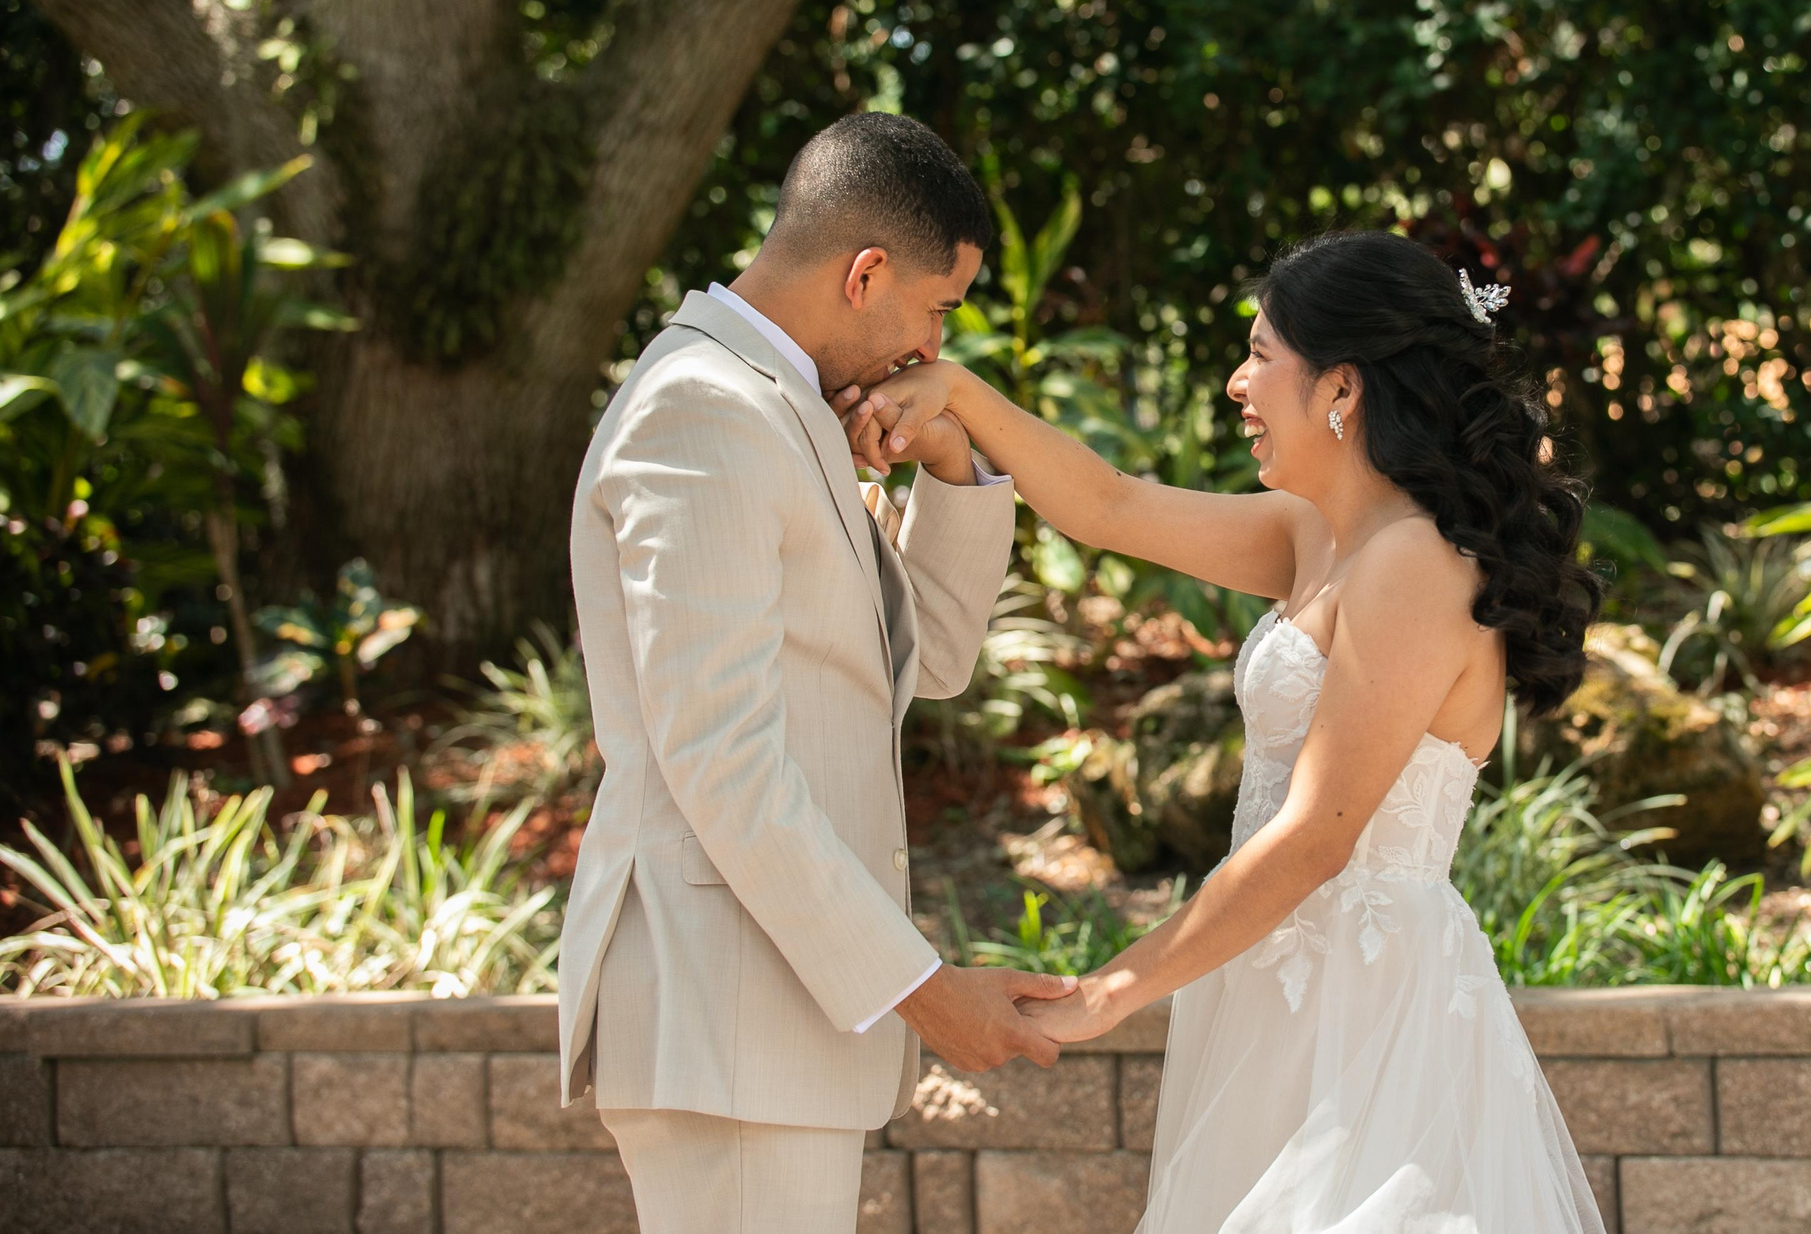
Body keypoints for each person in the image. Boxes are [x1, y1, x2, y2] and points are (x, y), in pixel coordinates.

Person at [845, 228, 1608, 1233]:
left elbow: (1317, 837)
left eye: (1259, 353)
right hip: (1270, 984)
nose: (1236, 382)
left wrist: (1112, 987)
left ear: (1340, 386)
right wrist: (960, 395)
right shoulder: (1319, 536)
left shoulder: (1413, 562)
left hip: (1365, 1010)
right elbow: (1110, 506)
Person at [555, 112, 1076, 1233]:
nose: (930, 352)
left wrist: (952, 466)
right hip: (725, 1013)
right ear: (866, 273)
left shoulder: (783, 410)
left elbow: (926, 658)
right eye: (935, 313)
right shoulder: (707, 411)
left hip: (765, 1027)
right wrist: (924, 993)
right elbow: (721, 759)